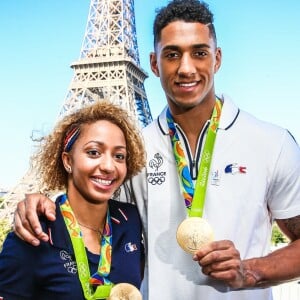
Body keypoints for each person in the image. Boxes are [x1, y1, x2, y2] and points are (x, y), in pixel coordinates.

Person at [12, 0, 300, 299]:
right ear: (154, 63)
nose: (186, 68)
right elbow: (86, 213)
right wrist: (40, 204)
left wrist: (252, 271)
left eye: (199, 53)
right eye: (172, 54)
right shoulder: (130, 153)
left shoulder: (272, 143)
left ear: (217, 58)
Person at [0, 101, 145, 299]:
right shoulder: (34, 232)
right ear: (68, 161)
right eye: (94, 152)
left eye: (119, 156)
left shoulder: (130, 220)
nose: (109, 166)